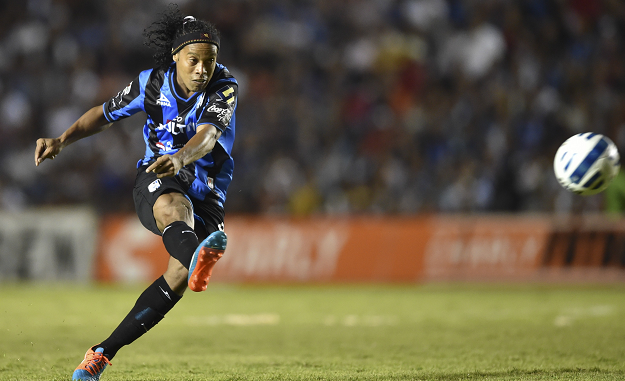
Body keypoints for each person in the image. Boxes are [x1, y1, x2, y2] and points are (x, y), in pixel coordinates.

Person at [33, 6, 238, 381]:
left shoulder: (224, 86)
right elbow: (104, 112)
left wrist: (182, 157)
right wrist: (62, 139)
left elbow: (208, 137)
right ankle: (198, 256)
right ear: (176, 56)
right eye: (193, 60)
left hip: (206, 188)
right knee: (173, 207)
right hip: (157, 177)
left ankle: (99, 354)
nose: (201, 70)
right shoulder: (151, 84)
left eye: (209, 62)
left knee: (177, 277)